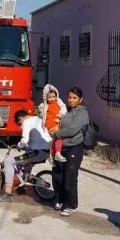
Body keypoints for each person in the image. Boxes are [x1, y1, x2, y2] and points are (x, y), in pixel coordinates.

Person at [0, 109, 52, 203]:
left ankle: (7, 192)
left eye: (19, 124)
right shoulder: (38, 119)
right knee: (26, 158)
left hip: (36, 152)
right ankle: (23, 185)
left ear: (20, 119)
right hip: (44, 151)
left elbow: (25, 140)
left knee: (8, 161)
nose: (20, 126)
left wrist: (19, 146)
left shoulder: (27, 122)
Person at [50, 87, 89, 217]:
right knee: (57, 175)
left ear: (80, 99)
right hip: (60, 147)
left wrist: (56, 134)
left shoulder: (82, 113)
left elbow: (72, 130)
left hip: (74, 147)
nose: (71, 100)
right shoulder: (65, 110)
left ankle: (71, 205)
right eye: (69, 97)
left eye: (74, 98)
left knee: (69, 177)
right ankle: (60, 200)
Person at [37, 84, 67, 163]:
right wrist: (40, 112)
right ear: (45, 97)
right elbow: (40, 113)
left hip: (57, 122)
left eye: (54, 96)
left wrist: (61, 113)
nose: (52, 99)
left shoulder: (59, 101)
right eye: (50, 97)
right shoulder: (44, 105)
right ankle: (57, 153)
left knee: (54, 140)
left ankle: (51, 156)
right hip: (50, 123)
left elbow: (64, 107)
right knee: (58, 137)